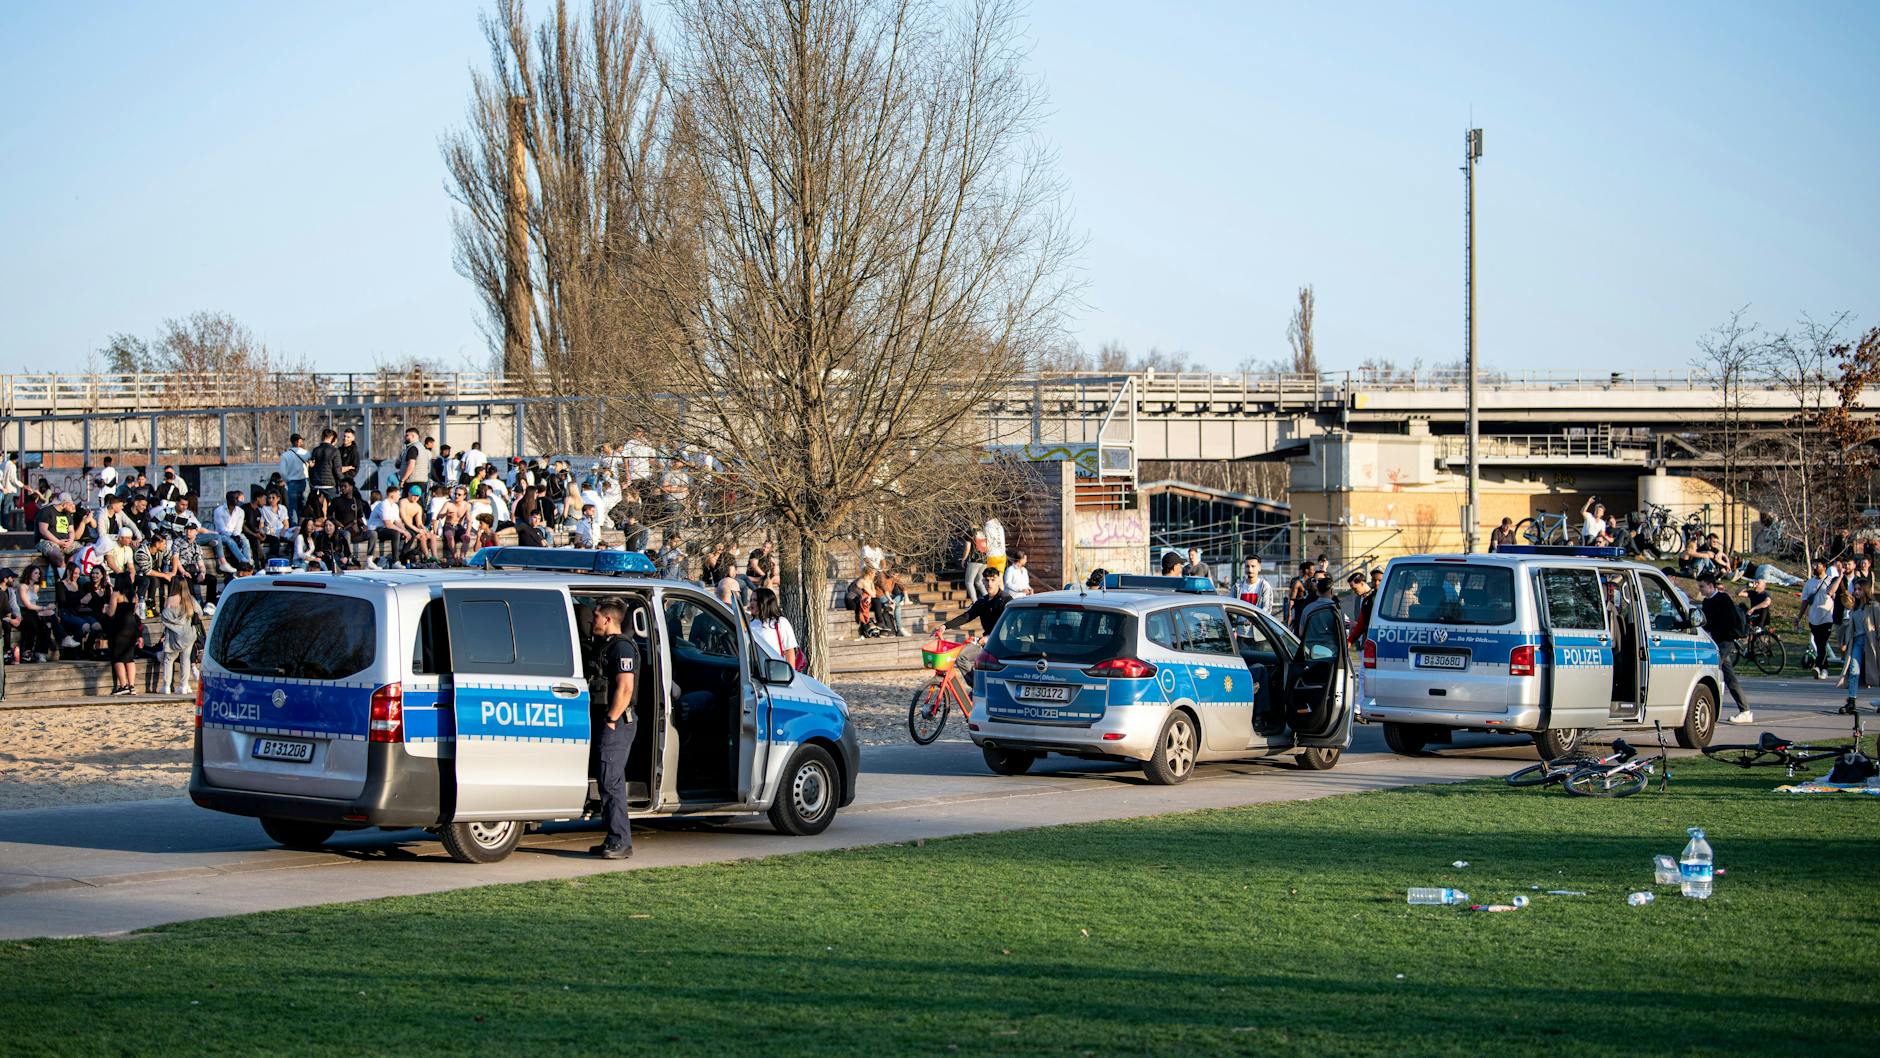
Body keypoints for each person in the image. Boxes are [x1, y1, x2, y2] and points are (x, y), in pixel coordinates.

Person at [586, 597, 640, 860]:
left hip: (617, 722)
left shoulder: (622, 649)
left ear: (608, 619)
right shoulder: (605, 646)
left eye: (595, 615)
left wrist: (610, 718)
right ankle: (612, 838)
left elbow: (626, 688)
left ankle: (621, 841)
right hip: (608, 720)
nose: (591, 619)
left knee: (611, 781)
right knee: (606, 780)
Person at [1695, 575, 1753, 725]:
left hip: (1725, 641)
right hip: (1714, 641)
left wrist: (1719, 632)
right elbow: (1707, 622)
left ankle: (1710, 708)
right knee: (1729, 677)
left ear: (1710, 585)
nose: (1700, 590)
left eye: (1702, 586)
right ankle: (1745, 710)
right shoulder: (1707, 602)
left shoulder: (1723, 599)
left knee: (1712, 670)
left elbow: (1731, 620)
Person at [157, 578, 201, 696]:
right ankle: (184, 685)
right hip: (188, 634)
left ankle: (166, 686)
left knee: (168, 660)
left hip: (174, 635)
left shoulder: (170, 600)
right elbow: (200, 613)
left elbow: (164, 617)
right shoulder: (191, 600)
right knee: (185, 660)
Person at [102, 575, 142, 695]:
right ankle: (132, 685)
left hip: (120, 627)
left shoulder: (116, 594)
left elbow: (111, 612)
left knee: (117, 656)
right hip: (132, 627)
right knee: (129, 658)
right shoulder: (134, 596)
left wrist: (105, 609)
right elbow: (134, 611)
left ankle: (123, 685)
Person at [944, 567, 1012, 635]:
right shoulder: (982, 601)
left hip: (1004, 640)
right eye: (987, 580)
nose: (989, 584)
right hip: (988, 639)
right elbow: (967, 616)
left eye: (993, 580)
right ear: (983, 581)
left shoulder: (1006, 599)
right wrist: (945, 626)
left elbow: (1008, 624)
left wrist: (989, 638)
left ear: (998, 581)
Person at [748, 587, 799, 669]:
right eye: (751, 600)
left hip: (776, 672)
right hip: (755, 671)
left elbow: (789, 651)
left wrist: (791, 675)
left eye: (755, 600)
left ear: (765, 602)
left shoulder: (780, 622)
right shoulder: (749, 623)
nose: (751, 603)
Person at [35, 492, 84, 572]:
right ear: (64, 504)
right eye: (70, 504)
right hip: (47, 541)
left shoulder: (68, 514)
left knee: (83, 551)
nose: (72, 506)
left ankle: (69, 569)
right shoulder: (47, 511)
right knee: (58, 556)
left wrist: (70, 541)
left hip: (65, 542)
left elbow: (71, 531)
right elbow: (43, 530)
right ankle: (62, 578)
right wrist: (58, 542)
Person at [279, 433, 310, 524]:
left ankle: (294, 525)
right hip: (304, 481)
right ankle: (305, 524)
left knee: (293, 506)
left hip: (292, 482)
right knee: (305, 504)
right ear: (298, 441)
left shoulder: (285, 455)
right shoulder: (306, 453)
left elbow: (282, 472)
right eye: (301, 440)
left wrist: (287, 481)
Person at [1345, 571, 1375, 647]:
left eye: (1355, 589)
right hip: (1360, 641)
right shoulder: (1358, 599)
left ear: (1362, 583)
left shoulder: (1375, 597)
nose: (1354, 592)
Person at [962, 528, 989, 602]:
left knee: (969, 582)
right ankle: (988, 601)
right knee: (979, 582)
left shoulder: (970, 532)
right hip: (984, 560)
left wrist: (963, 559)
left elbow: (967, 548)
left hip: (975, 560)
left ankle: (975, 603)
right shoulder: (983, 531)